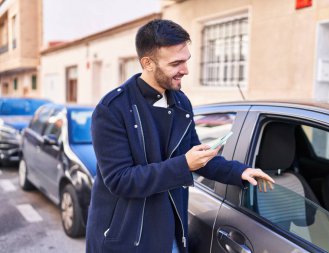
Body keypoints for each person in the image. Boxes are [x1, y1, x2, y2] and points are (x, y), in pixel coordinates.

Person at [86, 19, 275, 253]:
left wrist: (239, 171)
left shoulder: (181, 102)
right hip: (127, 240)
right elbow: (120, 180)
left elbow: (198, 154)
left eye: (186, 60)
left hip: (172, 233)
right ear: (147, 63)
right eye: (176, 63)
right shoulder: (112, 109)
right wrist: (184, 164)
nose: (185, 70)